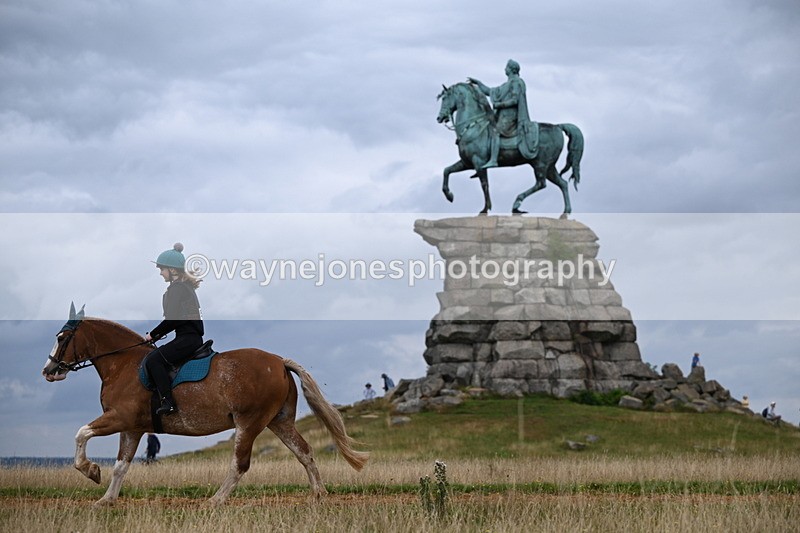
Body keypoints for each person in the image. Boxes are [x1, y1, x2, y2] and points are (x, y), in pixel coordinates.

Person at [143, 243, 204, 415]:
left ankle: (168, 401)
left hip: (187, 339)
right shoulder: (185, 287)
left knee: (153, 360)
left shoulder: (177, 288)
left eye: (162, 269)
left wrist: (152, 335)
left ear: (172, 270)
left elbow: (172, 320)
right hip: (190, 337)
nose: (160, 273)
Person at [468, 59, 537, 169]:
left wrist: (499, 105)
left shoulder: (516, 82)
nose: (505, 69)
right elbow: (489, 91)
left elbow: (515, 100)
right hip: (503, 116)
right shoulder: (507, 84)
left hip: (511, 117)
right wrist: (478, 83)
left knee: (495, 131)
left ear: (511, 69)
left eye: (507, 67)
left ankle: (493, 160)